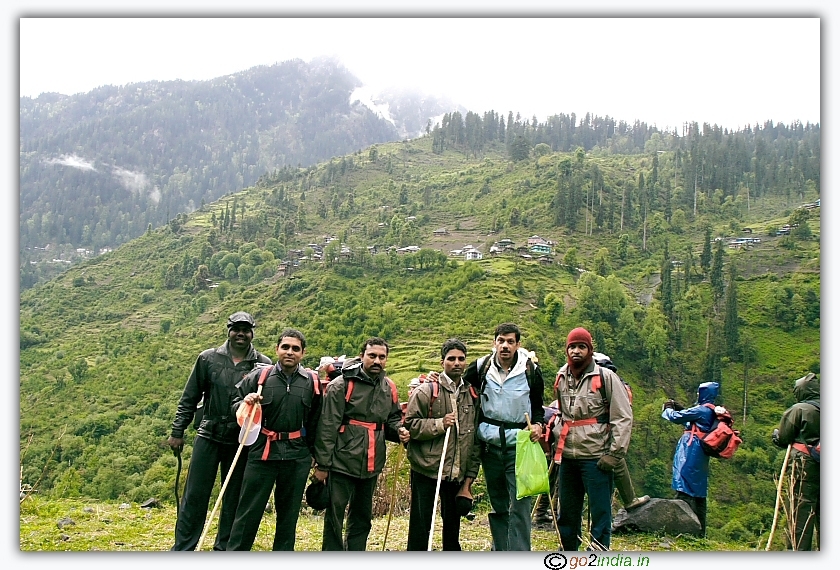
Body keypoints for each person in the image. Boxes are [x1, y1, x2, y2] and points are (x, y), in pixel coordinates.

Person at [167, 311, 272, 551]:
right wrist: (177, 431)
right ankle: (184, 547)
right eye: (237, 329)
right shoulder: (207, 359)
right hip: (208, 434)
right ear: (229, 330)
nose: (241, 334)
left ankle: (224, 548)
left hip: (241, 440)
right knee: (194, 495)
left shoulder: (263, 365)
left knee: (234, 497)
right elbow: (189, 397)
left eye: (246, 330)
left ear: (252, 332)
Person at [226, 329, 322, 551]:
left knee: (288, 516)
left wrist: (318, 459)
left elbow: (317, 422)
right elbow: (233, 405)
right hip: (262, 453)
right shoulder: (259, 377)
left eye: (295, 349)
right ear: (277, 349)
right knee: (248, 512)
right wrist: (246, 402)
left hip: (297, 455)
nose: (290, 352)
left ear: (303, 353)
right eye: (285, 347)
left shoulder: (311, 382)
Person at [312, 337, 410, 551]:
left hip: (372, 462)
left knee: (363, 516)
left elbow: (392, 418)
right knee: (335, 516)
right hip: (341, 461)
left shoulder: (389, 387)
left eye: (382, 357)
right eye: (372, 355)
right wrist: (322, 465)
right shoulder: (342, 385)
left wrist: (399, 429)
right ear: (362, 356)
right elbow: (328, 426)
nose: (377, 361)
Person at [462, 322, 545, 551]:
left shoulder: (530, 371)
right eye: (501, 340)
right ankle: (500, 550)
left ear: (518, 344)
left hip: (518, 446)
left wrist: (538, 425)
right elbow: (458, 383)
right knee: (498, 503)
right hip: (490, 447)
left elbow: (538, 406)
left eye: (510, 341)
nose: (505, 346)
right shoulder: (481, 367)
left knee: (519, 504)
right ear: (494, 343)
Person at [552, 327, 632, 551]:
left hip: (597, 457)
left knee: (600, 513)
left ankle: (597, 555)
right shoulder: (562, 377)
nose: (576, 351)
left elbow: (622, 417)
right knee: (567, 512)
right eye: (572, 347)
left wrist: (614, 455)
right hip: (568, 456)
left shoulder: (606, 378)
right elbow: (560, 413)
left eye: (581, 346)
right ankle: (567, 554)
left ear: (590, 350)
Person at [404, 338, 480, 551]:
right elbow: (410, 425)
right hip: (427, 469)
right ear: (442, 362)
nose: (456, 363)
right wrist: (439, 424)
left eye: (461, 359)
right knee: (421, 524)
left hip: (456, 472)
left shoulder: (472, 395)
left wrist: (469, 476)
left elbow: (474, 440)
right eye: (451, 359)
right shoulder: (427, 391)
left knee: (453, 526)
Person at [661, 381, 721, 537]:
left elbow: (676, 417)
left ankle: (684, 527)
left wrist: (668, 409)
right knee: (699, 492)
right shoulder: (712, 411)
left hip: (690, 452)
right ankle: (700, 532)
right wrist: (683, 408)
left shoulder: (701, 410)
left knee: (684, 485)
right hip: (701, 455)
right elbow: (692, 421)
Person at [772, 372, 820, 550]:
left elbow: (784, 438)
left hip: (805, 465)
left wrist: (776, 436)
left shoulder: (799, 409)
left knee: (801, 510)